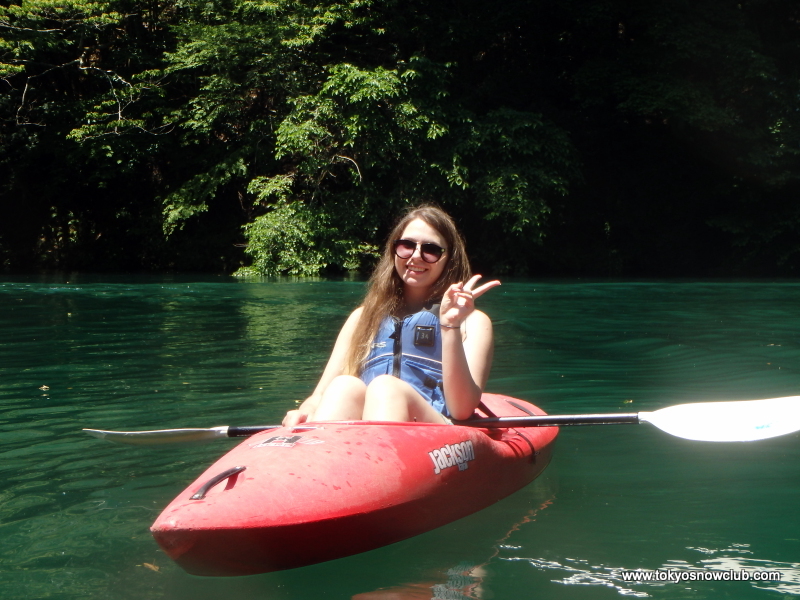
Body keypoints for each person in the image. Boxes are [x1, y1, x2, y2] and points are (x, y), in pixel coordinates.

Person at [282, 205, 500, 427]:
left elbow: (462, 410)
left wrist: (450, 326)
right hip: (372, 430)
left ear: (449, 258)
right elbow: (319, 395)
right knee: (343, 386)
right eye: (406, 246)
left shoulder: (472, 322)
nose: (416, 256)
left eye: (431, 249)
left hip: (437, 429)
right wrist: (305, 410)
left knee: (386, 388)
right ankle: (319, 451)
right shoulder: (362, 318)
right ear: (394, 250)